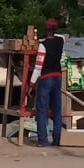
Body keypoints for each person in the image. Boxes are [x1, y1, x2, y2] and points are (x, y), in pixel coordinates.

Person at [31, 18, 65, 148]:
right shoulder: (60, 41)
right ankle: (57, 140)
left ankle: (43, 140)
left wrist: (31, 84)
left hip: (45, 79)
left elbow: (38, 67)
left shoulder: (42, 45)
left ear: (45, 30)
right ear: (55, 30)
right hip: (57, 78)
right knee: (57, 111)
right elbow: (62, 36)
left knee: (42, 110)